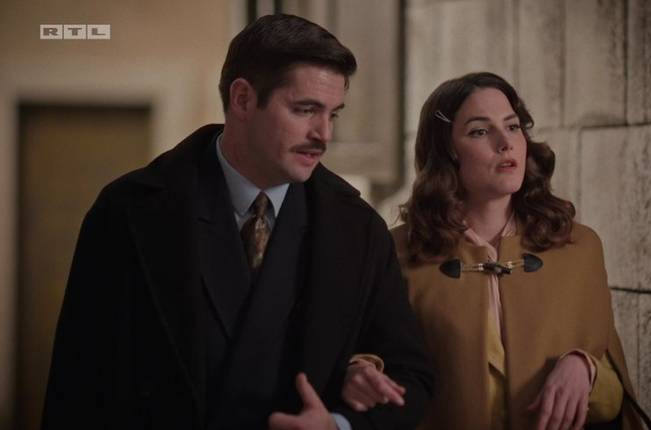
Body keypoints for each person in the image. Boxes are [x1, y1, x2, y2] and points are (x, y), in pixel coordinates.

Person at [42, 14, 432, 430]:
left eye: (332, 114)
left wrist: (338, 425)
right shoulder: (126, 213)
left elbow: (412, 379)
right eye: (305, 110)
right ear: (243, 99)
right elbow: (78, 388)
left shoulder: (358, 228)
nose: (324, 134)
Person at [341, 72, 650, 430]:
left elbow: (613, 386)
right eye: (479, 131)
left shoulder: (579, 247)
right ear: (448, 150)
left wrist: (584, 367)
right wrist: (357, 369)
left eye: (513, 126)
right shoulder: (395, 252)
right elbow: (368, 353)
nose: (505, 143)